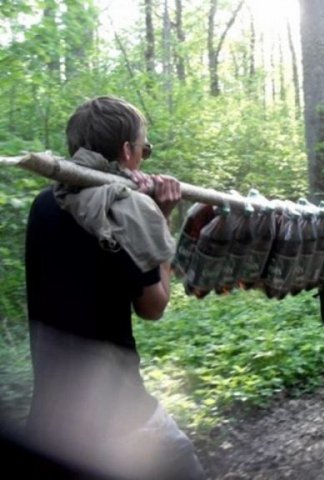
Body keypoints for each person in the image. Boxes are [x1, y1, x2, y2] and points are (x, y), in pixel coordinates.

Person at [24, 96, 205, 480]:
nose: (143, 158)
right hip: (119, 414)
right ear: (126, 151)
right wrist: (160, 218)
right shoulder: (126, 212)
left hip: (49, 419)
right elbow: (153, 307)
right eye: (144, 149)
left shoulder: (45, 204)